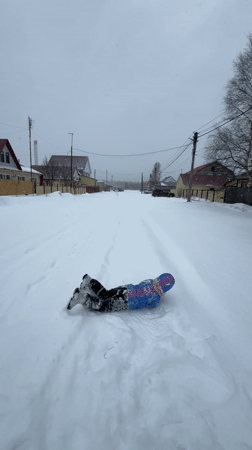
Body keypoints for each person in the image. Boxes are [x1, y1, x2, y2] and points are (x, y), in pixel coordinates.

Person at [67, 273, 175, 312]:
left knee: (105, 293)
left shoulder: (149, 281)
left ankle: (89, 281)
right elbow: (151, 305)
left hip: (125, 289)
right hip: (127, 300)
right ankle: (82, 298)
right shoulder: (156, 299)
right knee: (104, 305)